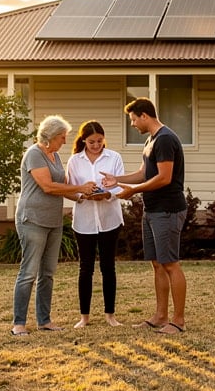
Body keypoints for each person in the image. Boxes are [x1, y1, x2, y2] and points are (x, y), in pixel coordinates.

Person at [101, 97, 187, 335]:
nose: (132, 125)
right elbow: (143, 173)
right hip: (152, 209)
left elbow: (164, 177)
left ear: (144, 116)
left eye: (133, 119)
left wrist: (133, 191)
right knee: (157, 264)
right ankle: (161, 316)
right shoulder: (152, 140)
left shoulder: (166, 139)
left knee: (170, 264)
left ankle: (178, 321)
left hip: (167, 209)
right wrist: (117, 180)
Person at [11, 116, 98, 336]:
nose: (64, 141)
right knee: (29, 273)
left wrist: (81, 195)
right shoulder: (34, 154)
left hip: (53, 221)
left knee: (47, 274)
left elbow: (63, 186)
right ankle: (18, 323)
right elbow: (48, 187)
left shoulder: (55, 155)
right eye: (62, 137)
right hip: (32, 220)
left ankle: (44, 321)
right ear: (50, 136)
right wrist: (79, 187)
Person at [65, 121, 125, 329]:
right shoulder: (74, 161)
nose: (96, 145)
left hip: (110, 219)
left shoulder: (114, 157)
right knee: (85, 268)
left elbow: (120, 188)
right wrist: (84, 195)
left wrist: (107, 193)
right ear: (84, 140)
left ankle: (110, 315)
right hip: (84, 221)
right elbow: (71, 190)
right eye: (92, 142)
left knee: (108, 267)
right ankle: (85, 316)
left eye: (100, 141)